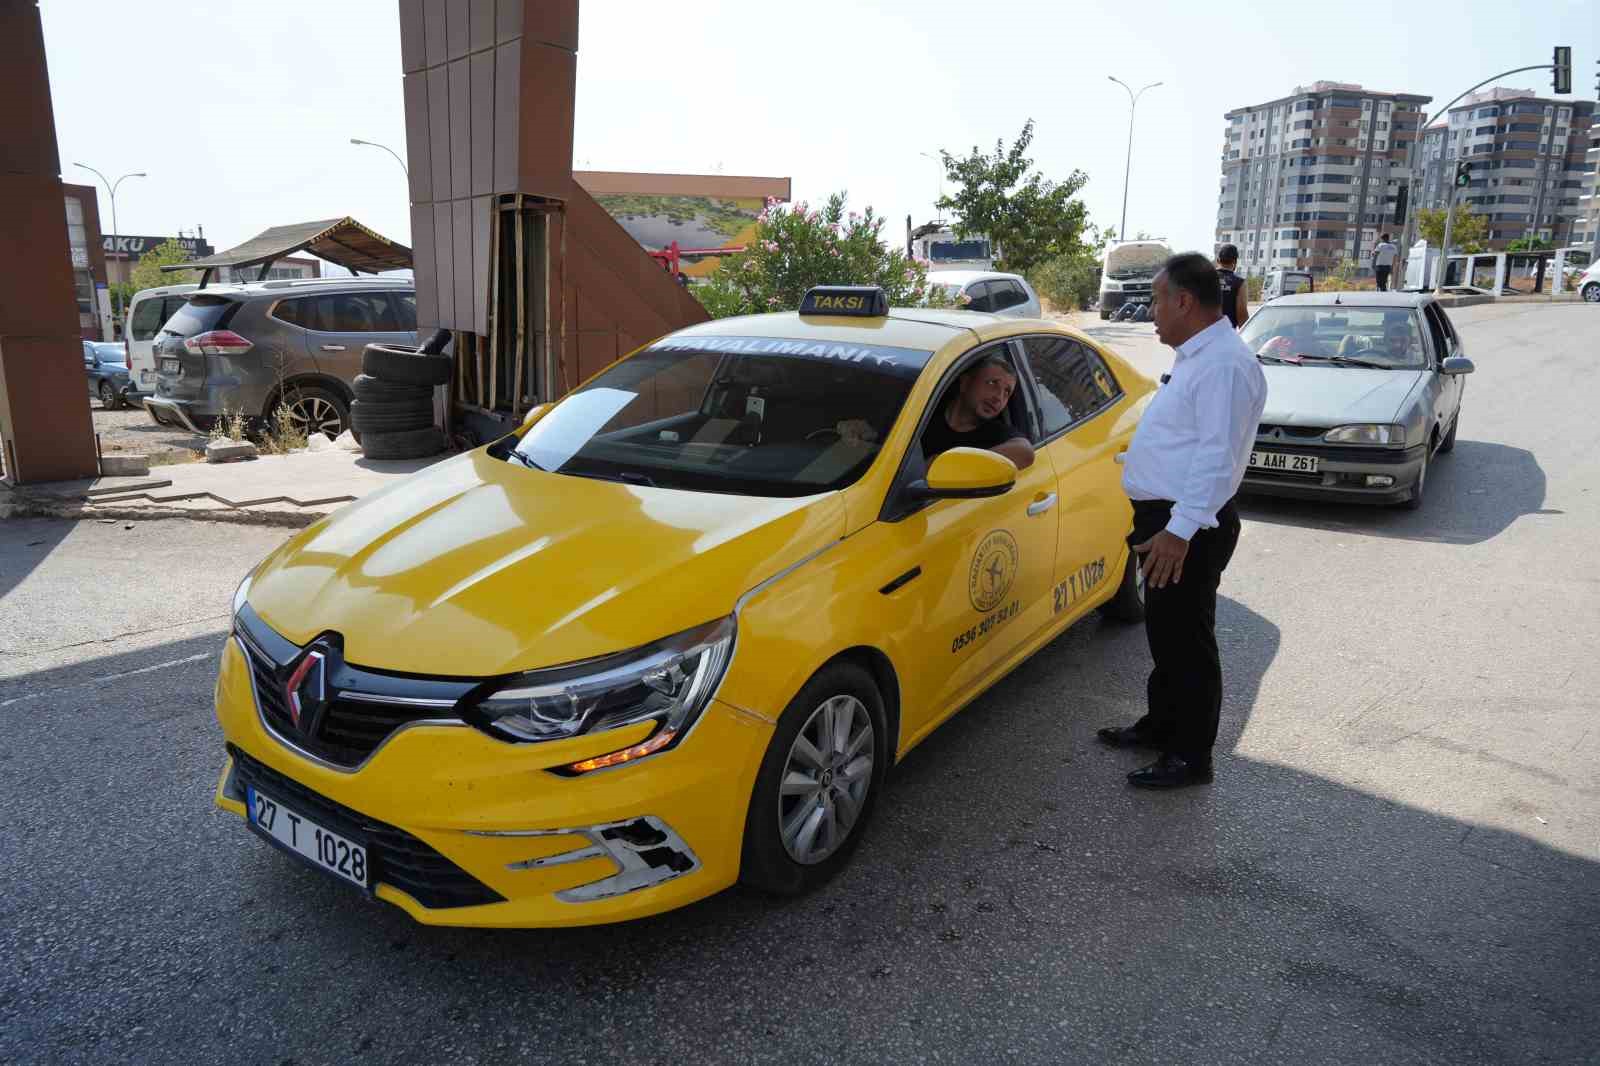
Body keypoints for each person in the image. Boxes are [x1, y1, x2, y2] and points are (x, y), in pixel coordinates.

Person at [1096, 253, 1266, 789]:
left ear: (1185, 302)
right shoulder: (1201, 355)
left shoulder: (1223, 365)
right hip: (1170, 519)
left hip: (1186, 525)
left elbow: (1218, 457)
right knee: (1167, 636)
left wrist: (1179, 530)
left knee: (1188, 642)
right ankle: (1162, 725)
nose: (1151, 311)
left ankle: (1191, 757)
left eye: (1156, 299)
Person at [1215, 243, 1248, 328]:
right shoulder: (1239, 283)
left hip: (1202, 335)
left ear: (1218, 260)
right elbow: (1242, 316)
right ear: (1235, 262)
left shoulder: (1203, 278)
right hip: (1226, 335)